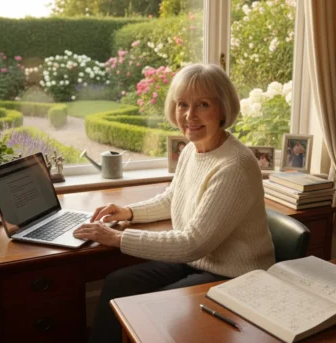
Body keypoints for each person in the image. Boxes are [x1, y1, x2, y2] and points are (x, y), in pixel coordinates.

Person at [73, 63, 275, 343]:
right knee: (118, 284)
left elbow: (193, 242)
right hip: (198, 262)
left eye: (202, 105)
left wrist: (118, 238)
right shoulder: (193, 149)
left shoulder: (234, 165)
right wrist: (129, 212)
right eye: (182, 105)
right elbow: (173, 197)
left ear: (223, 110)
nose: (189, 115)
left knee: (151, 310)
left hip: (234, 275)